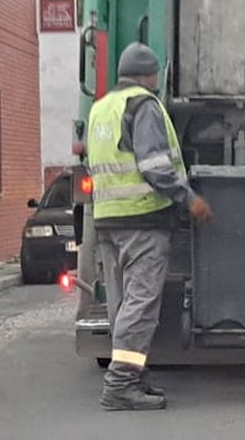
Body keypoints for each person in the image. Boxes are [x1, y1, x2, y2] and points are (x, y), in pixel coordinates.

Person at [87, 42, 212, 411]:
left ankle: (133, 376)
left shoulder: (100, 109)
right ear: (150, 75)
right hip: (142, 219)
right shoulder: (144, 106)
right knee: (140, 306)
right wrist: (190, 200)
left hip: (108, 220)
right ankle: (120, 385)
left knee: (122, 304)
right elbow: (155, 166)